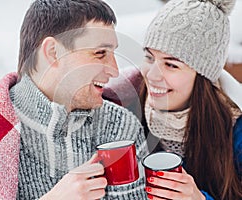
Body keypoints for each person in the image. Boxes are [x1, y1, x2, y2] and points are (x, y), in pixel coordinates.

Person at [0, 0, 149, 199]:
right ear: (53, 52)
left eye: (113, 53)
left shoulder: (120, 127)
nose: (114, 70)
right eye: (100, 53)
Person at [103, 0, 242, 199]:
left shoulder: (234, 132)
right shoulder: (118, 109)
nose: (152, 75)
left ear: (202, 76)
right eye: (149, 58)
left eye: (171, 65)